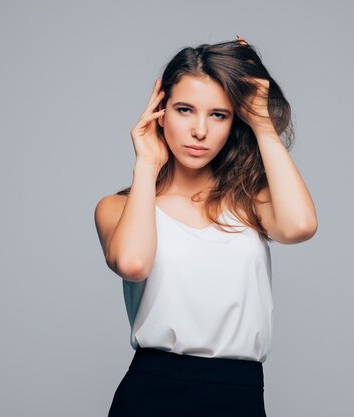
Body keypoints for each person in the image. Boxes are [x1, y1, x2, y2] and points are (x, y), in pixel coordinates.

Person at [94, 35, 317, 417]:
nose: (200, 130)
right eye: (184, 110)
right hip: (151, 392)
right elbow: (133, 264)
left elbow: (299, 226)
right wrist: (146, 165)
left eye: (219, 114)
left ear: (235, 121)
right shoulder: (118, 207)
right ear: (160, 112)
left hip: (239, 394)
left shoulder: (251, 200)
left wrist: (263, 125)